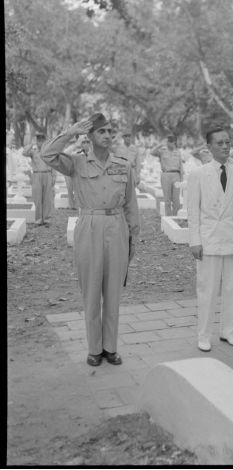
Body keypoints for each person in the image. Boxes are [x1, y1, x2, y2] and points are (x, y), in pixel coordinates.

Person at [41, 113, 140, 366]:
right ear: (90, 136)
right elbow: (48, 155)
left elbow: (131, 203)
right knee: (92, 290)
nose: (107, 135)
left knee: (113, 292)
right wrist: (71, 132)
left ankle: (110, 347)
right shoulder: (76, 163)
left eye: (110, 131)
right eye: (101, 132)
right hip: (89, 226)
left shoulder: (123, 164)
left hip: (117, 227)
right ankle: (94, 348)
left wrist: (133, 236)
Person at [187, 127, 233, 352]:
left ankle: (229, 331)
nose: (225, 146)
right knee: (207, 289)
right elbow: (193, 211)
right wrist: (195, 240)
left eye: (227, 142)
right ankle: (204, 335)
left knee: (232, 287)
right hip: (209, 238)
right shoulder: (198, 174)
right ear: (209, 147)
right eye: (220, 143)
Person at [22, 133, 55, 225]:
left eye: (42, 140)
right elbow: (24, 153)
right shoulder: (33, 151)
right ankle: (38, 219)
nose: (40, 142)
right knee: (37, 198)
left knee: (47, 198)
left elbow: (53, 164)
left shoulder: (49, 152)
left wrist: (53, 176)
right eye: (39, 140)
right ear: (37, 141)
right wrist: (32, 144)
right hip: (37, 175)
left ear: (45, 141)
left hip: (47, 174)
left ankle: (47, 219)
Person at [150, 135, 183, 215]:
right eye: (169, 142)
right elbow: (152, 152)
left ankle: (175, 217)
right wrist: (160, 144)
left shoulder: (178, 152)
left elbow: (181, 166)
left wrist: (181, 179)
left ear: (174, 142)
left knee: (176, 200)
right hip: (166, 175)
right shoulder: (162, 151)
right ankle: (168, 218)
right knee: (167, 200)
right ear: (167, 142)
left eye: (172, 142)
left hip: (176, 175)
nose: (171, 144)